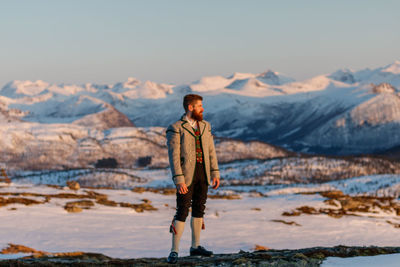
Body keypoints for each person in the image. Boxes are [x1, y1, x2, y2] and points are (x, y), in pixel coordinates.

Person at [166, 94, 220, 264]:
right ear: (190, 107)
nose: (202, 109)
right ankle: (174, 251)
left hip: (203, 174)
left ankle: (195, 246)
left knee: (199, 208)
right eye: (199, 106)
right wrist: (179, 179)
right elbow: (173, 156)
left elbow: (211, 151)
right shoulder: (176, 128)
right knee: (182, 210)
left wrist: (215, 173)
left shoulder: (205, 126)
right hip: (186, 176)